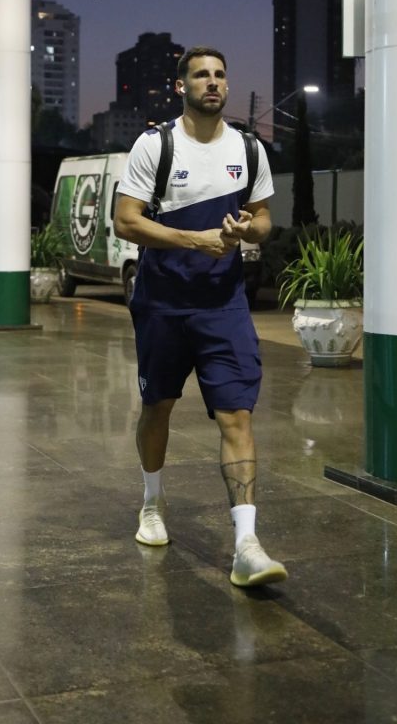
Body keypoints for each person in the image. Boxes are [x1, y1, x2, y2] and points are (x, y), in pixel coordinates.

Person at [114, 46, 287, 588]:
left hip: (223, 304)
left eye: (219, 75)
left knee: (237, 416)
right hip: (163, 303)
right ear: (181, 86)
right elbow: (126, 221)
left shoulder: (250, 149)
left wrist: (244, 232)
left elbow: (263, 220)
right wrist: (192, 237)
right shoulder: (155, 145)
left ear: (227, 87)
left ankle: (247, 545)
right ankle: (151, 502)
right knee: (157, 407)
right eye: (201, 75)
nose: (212, 83)